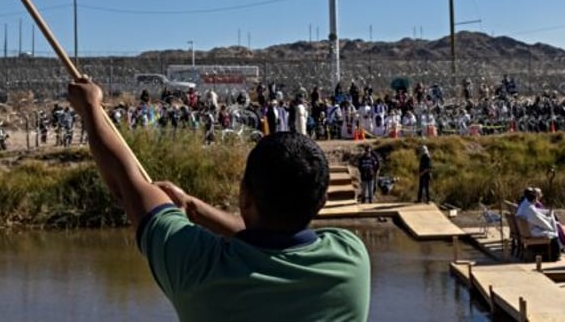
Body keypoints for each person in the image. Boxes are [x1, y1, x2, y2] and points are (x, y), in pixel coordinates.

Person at [68, 78, 371, 322]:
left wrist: (91, 108)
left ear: (245, 195)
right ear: (321, 201)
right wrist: (194, 208)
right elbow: (267, 240)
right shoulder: (352, 258)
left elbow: (127, 184)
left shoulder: (198, 267)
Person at [519, 188, 562, 261]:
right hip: (530, 231)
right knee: (553, 234)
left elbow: (537, 214)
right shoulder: (530, 209)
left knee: (549, 230)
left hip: (525, 229)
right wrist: (549, 222)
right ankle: (554, 255)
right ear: (533, 199)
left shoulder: (525, 205)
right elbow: (540, 221)